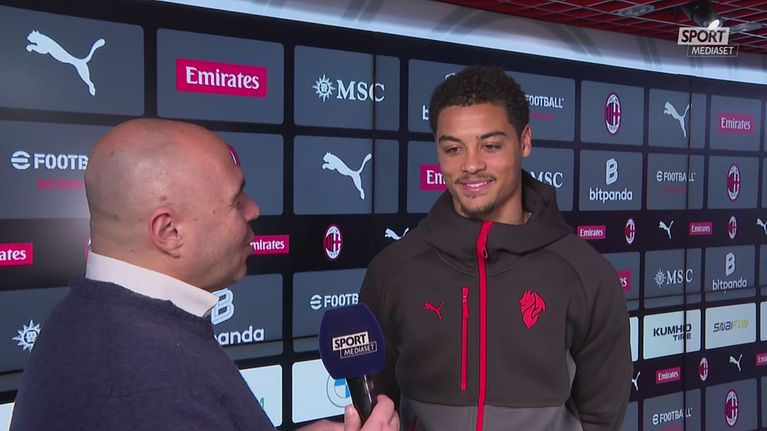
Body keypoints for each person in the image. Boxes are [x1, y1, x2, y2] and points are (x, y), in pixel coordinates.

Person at [10, 119, 399, 431]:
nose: (254, 210)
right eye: (236, 200)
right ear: (169, 231)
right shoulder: (139, 386)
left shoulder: (91, 317)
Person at [360, 66, 631, 430]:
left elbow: (602, 417)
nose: (471, 165)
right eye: (453, 149)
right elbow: (380, 407)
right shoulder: (392, 270)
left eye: (490, 146)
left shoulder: (586, 274)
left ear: (525, 142)